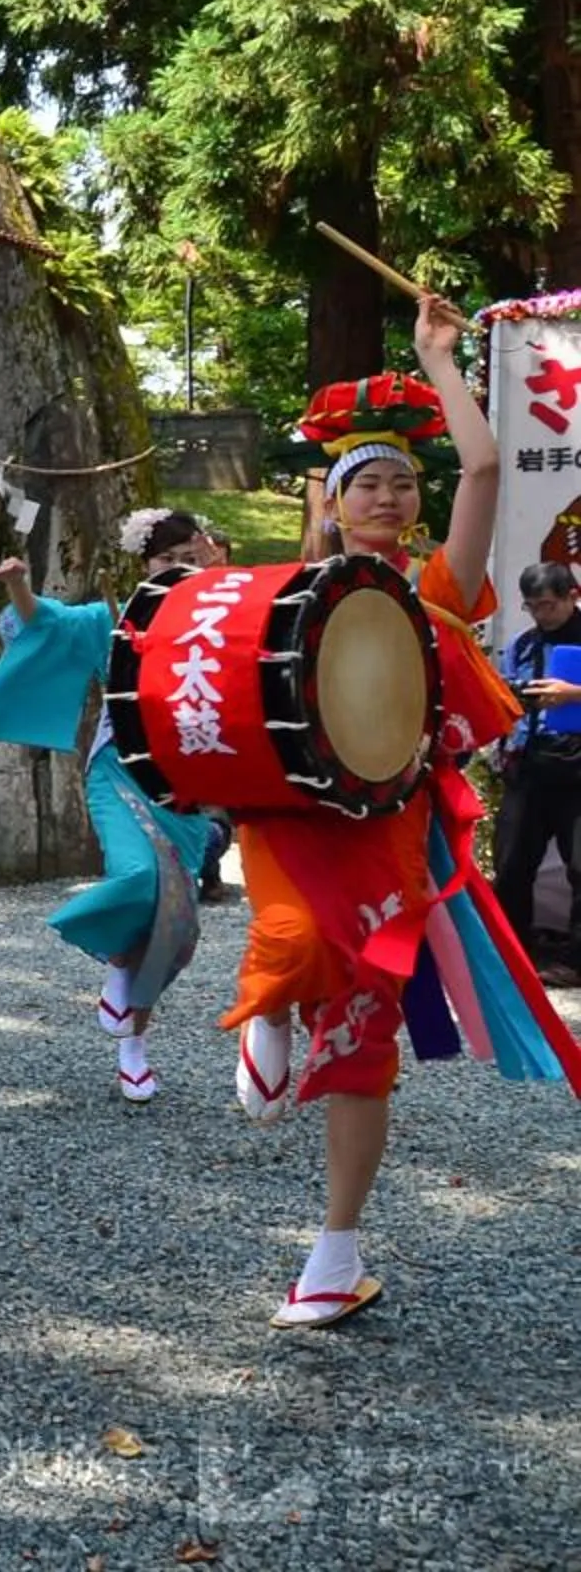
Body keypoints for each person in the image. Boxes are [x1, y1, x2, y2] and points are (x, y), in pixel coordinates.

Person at [226, 304, 581, 1328]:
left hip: (394, 826)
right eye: (364, 481)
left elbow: (485, 472)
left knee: (366, 1038)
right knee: (290, 938)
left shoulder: (437, 587)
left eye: (399, 481)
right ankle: (268, 1007)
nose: (388, 493)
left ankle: (334, 1252)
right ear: (332, 503)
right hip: (293, 817)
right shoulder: (287, 588)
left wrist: (439, 358)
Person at [0, 509, 224, 1102]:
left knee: (175, 922)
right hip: (120, 773)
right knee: (138, 877)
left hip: (186, 787)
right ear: (144, 565)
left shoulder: (221, 622)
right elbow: (45, 624)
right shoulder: (114, 618)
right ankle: (113, 962)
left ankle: (135, 1044)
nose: (178, 569)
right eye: (165, 560)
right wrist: (18, 585)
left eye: (188, 558)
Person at [494, 561, 581, 987]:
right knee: (511, 864)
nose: (542, 615)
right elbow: (502, 691)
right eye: (532, 607)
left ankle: (576, 961)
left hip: (578, 772)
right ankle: (513, 953)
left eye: (548, 605)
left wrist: (574, 694)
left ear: (573, 596)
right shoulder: (524, 645)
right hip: (529, 767)